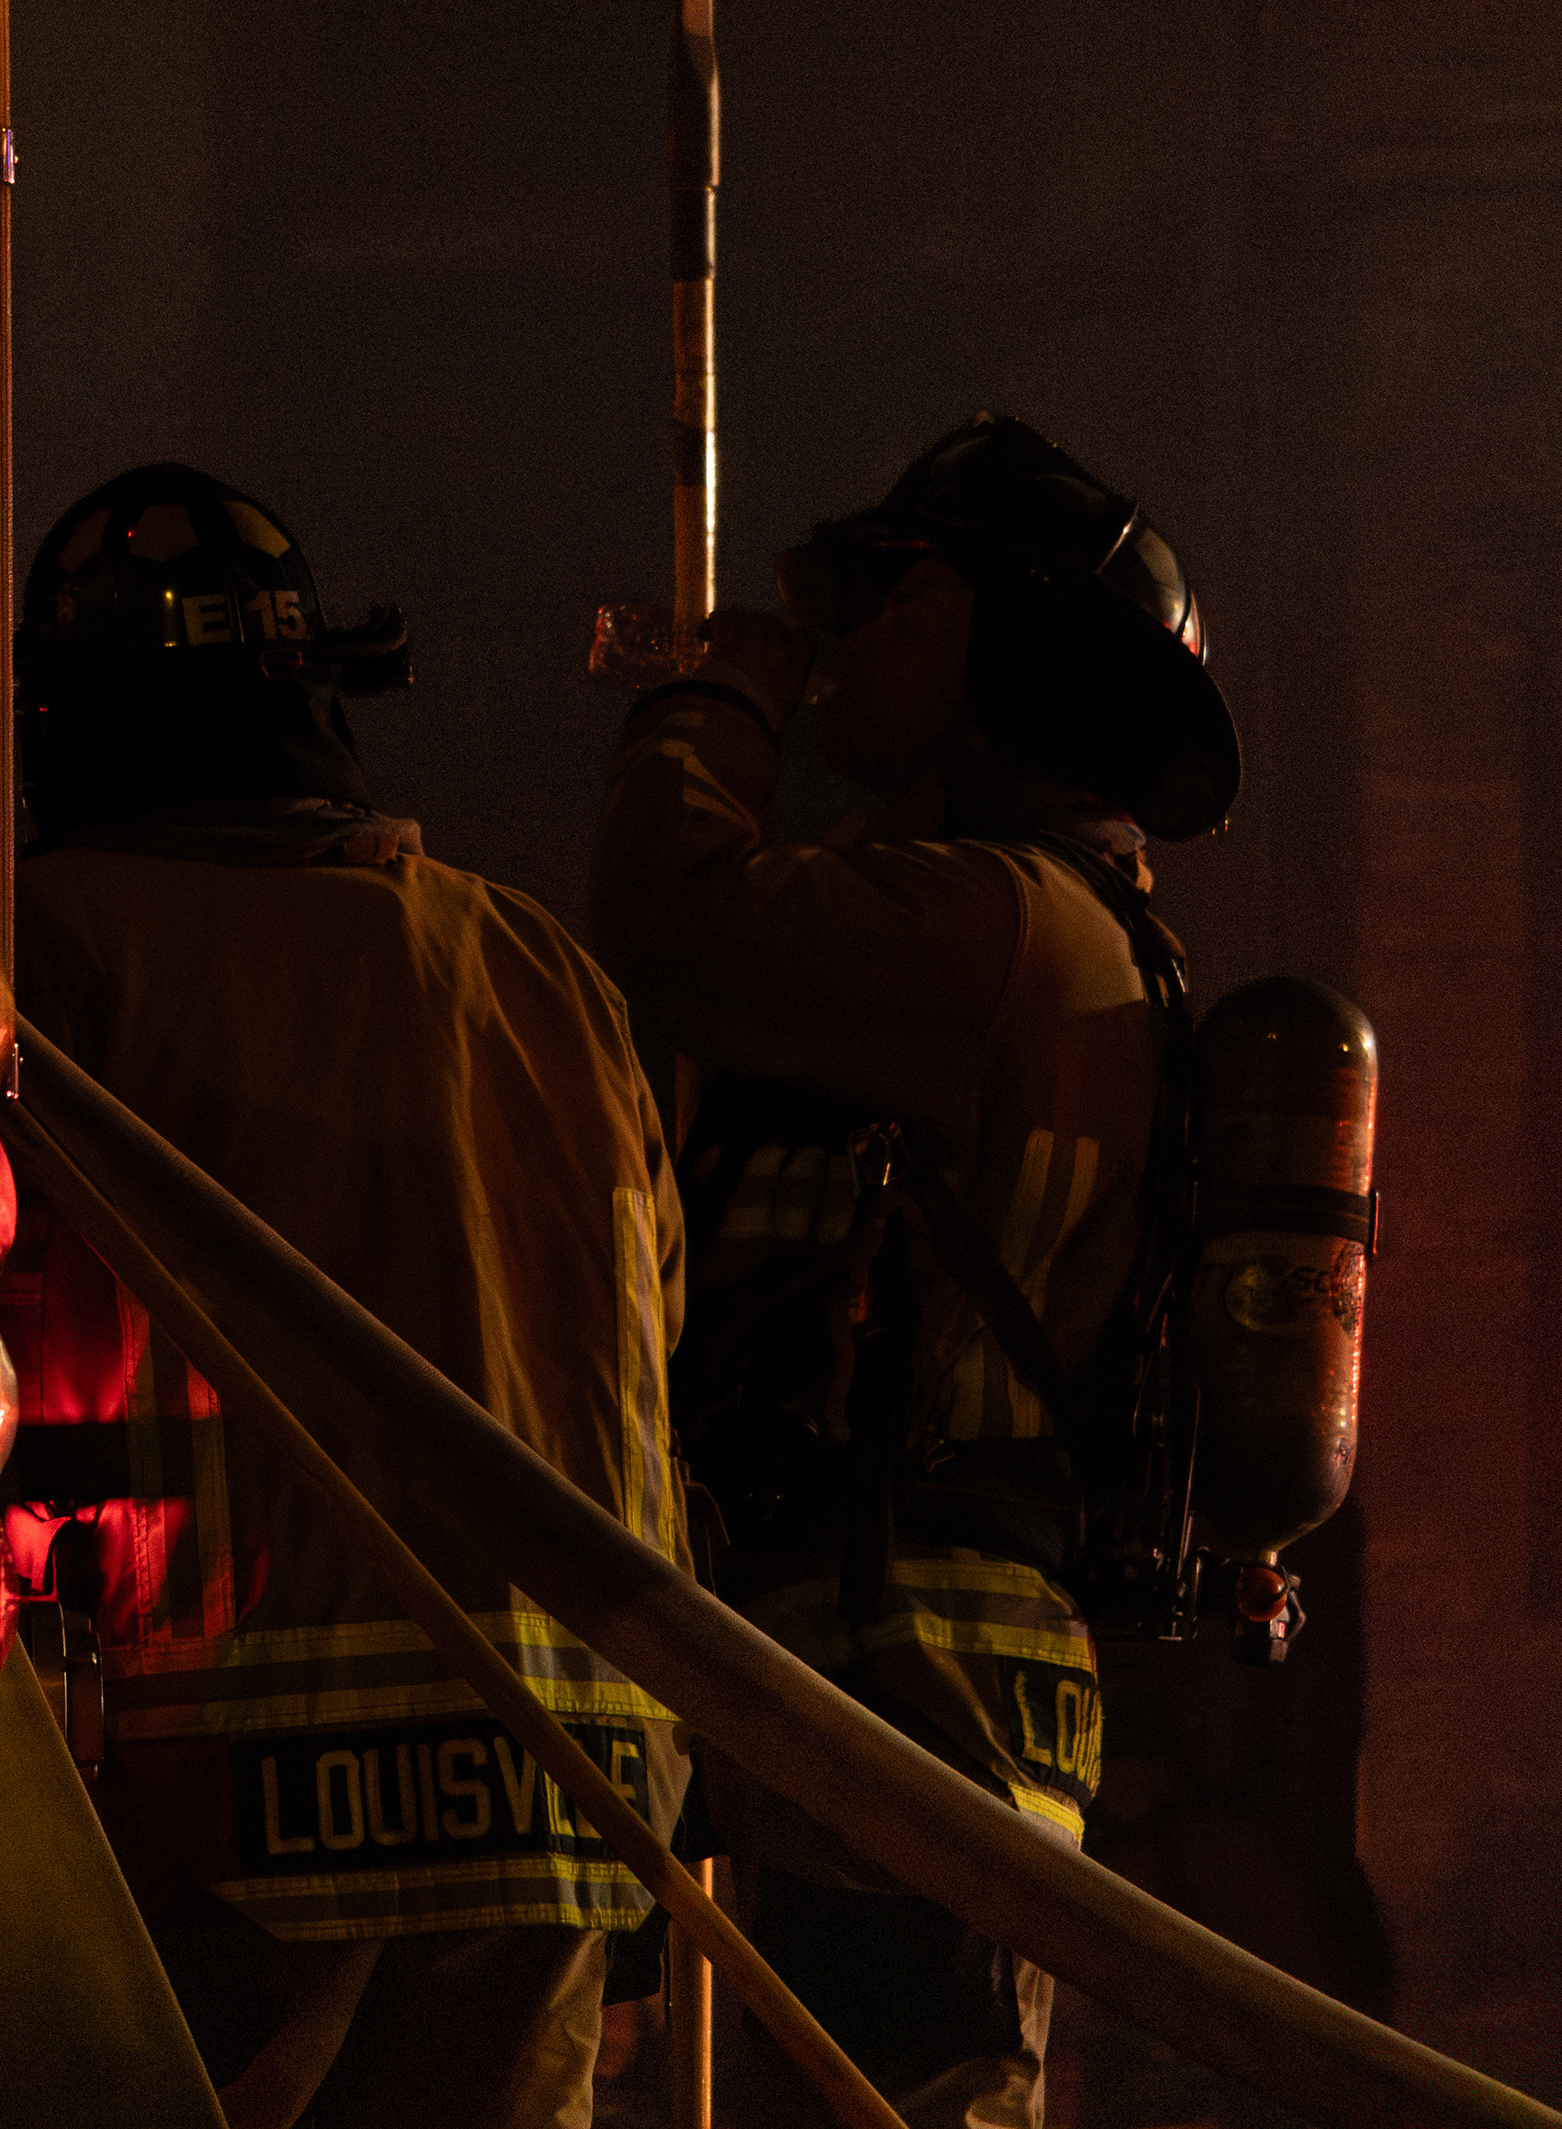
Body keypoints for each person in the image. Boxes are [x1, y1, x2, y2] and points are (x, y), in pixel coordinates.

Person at [0, 463, 688, 2129]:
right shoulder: (539, 973)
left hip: (216, 1798)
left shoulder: (45, 957)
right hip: (558, 1784)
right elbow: (653, 1364)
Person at [583, 416, 1239, 2129]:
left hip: (896, 1681)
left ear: (1000, 653)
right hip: (885, 1671)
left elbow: (670, 909)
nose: (857, 646)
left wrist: (717, 699)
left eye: (905, 603)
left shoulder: (1001, 927)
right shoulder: (1040, 922)